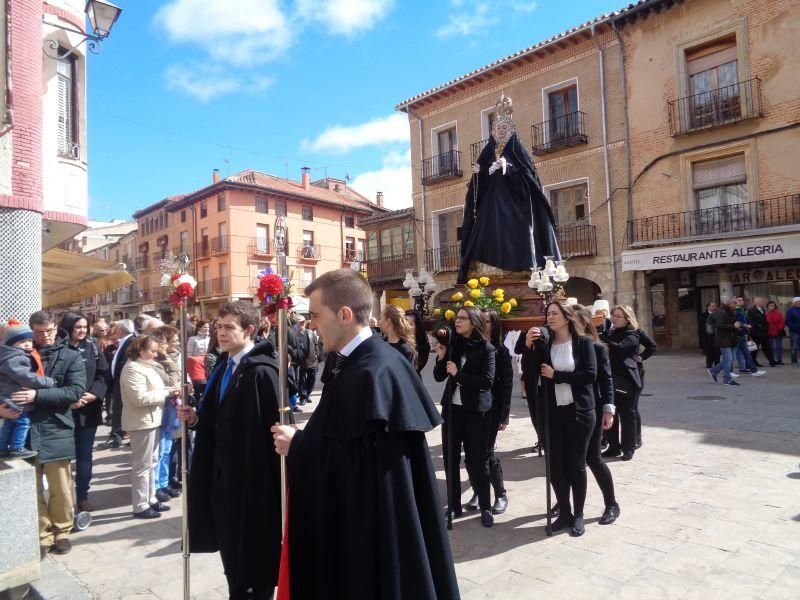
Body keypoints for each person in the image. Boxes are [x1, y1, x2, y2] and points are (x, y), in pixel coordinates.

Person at [271, 269, 459, 599]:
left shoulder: (372, 371)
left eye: (315, 316)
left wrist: (298, 444)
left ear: (344, 315)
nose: (311, 325)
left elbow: (367, 465)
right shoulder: (361, 362)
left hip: (374, 535)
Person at [179, 301, 285, 599]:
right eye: (218, 327)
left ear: (249, 330)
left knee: (252, 561)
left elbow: (273, 431)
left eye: (229, 328)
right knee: (232, 556)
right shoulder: (225, 365)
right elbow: (218, 415)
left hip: (252, 484)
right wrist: (197, 417)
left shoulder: (263, 373)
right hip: (223, 479)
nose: (221, 333)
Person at [457, 93, 560, 283]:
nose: (501, 130)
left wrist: (508, 167)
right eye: (497, 127)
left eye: (504, 127)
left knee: (517, 232)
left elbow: (529, 177)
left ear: (511, 129)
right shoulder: (487, 152)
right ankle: (487, 267)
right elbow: (478, 189)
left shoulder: (518, 151)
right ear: (493, 131)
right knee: (487, 235)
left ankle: (523, 268)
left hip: (515, 207)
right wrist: (479, 173)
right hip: (491, 207)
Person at [13, 311, 86, 556]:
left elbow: (74, 392)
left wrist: (38, 395)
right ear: (31, 331)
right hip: (24, 428)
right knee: (31, 487)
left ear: (56, 328)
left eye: (49, 331)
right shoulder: (18, 355)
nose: (45, 336)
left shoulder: (70, 356)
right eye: (39, 332)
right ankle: (43, 535)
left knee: (61, 487)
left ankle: (62, 530)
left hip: (56, 427)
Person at [525, 301, 597, 536]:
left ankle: (578, 515)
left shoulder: (583, 343)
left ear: (567, 317)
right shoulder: (545, 345)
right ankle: (564, 512)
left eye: (555, 313)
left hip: (579, 412)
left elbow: (589, 375)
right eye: (548, 313)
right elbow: (531, 373)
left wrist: (558, 376)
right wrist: (528, 347)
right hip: (553, 413)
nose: (550, 317)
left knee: (576, 465)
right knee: (555, 466)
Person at [434, 305, 496, 527]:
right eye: (457, 318)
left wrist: (459, 375)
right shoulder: (453, 346)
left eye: (462, 318)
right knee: (450, 459)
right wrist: (441, 357)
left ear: (474, 322)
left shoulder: (486, 349)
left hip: (476, 412)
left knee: (477, 461)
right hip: (453, 410)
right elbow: (439, 377)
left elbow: (486, 382)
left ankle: (486, 507)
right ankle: (454, 506)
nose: (457, 322)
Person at [120, 335, 179, 519]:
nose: (155, 354)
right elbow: (139, 398)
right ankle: (140, 505)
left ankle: (150, 498)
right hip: (141, 422)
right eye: (151, 351)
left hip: (153, 420)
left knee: (152, 462)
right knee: (142, 465)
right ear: (140, 350)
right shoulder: (132, 369)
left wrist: (169, 391)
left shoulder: (147, 366)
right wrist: (166, 394)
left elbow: (159, 388)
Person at [58, 312, 109, 512]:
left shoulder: (93, 348)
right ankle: (64, 500)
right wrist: (68, 399)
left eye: (84, 327)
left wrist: (94, 394)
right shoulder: (58, 348)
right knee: (63, 459)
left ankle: (82, 496)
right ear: (68, 327)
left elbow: (104, 375)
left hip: (88, 411)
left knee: (85, 455)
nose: (82, 330)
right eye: (77, 327)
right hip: (63, 411)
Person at [574, 306, 620, 525]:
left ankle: (611, 503)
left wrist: (608, 409)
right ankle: (566, 502)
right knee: (570, 461)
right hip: (568, 410)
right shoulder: (562, 347)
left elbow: (606, 379)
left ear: (584, 323)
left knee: (593, 458)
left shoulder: (597, 347)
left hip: (591, 408)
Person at [463, 309, 511, 515]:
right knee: (471, 454)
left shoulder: (500, 351)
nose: (483, 324)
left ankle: (500, 493)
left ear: (495, 324)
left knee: (486, 453)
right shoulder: (471, 346)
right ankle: (478, 491)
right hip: (472, 407)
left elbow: (507, 385)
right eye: (480, 320)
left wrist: (504, 416)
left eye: (487, 321)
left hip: (492, 408)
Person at [0, 320, 56, 459]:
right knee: (22, 423)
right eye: (22, 341)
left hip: (9, 397)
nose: (27, 344)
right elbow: (26, 377)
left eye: (30, 340)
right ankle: (17, 447)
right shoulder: (15, 358)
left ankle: (2, 447)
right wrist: (47, 382)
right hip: (17, 399)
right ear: (11, 343)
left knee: (9, 424)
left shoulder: (10, 356)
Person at [600, 305, 642, 462]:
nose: (614, 318)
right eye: (613, 315)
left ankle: (628, 448)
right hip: (610, 379)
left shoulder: (632, 334)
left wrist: (603, 338)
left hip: (627, 380)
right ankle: (613, 447)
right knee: (611, 413)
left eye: (618, 316)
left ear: (627, 319)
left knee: (627, 415)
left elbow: (619, 348)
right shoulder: (610, 332)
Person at [151, 326, 184, 502]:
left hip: (170, 408)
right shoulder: (157, 363)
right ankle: (157, 485)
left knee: (167, 448)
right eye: (165, 343)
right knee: (161, 450)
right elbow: (172, 381)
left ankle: (163, 483)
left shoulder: (169, 358)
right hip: (161, 409)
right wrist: (171, 364)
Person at [107, 319, 136, 448]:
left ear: (121, 330)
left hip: (123, 382)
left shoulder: (132, 341)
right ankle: (117, 434)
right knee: (118, 408)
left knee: (119, 408)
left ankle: (117, 435)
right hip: (118, 381)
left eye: (117, 328)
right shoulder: (125, 341)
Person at [708, 297, 741, 386]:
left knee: (729, 359)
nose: (736, 304)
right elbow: (720, 325)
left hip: (729, 338)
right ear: (729, 304)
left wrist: (742, 325)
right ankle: (727, 379)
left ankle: (713, 371)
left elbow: (731, 323)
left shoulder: (728, 312)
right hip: (723, 339)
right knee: (728, 359)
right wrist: (733, 326)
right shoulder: (721, 312)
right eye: (734, 302)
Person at [733, 297, 765, 376]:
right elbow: (735, 322)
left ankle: (753, 370)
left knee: (746, 353)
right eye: (739, 300)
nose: (741, 301)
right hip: (737, 335)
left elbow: (746, 320)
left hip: (743, 334)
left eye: (742, 300)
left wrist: (747, 330)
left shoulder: (744, 310)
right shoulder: (735, 311)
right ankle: (722, 370)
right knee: (732, 355)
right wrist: (744, 326)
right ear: (735, 302)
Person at [296, 316, 320, 406]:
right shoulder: (295, 334)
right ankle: (303, 397)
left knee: (312, 379)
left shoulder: (310, 333)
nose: (301, 324)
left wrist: (317, 353)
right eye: (299, 322)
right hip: (301, 361)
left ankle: (307, 394)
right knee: (301, 380)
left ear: (305, 322)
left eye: (302, 322)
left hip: (312, 360)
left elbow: (316, 344)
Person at [748, 297, 777, 367]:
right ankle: (753, 361)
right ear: (756, 303)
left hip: (764, 332)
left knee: (767, 347)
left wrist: (767, 326)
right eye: (761, 301)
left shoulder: (763, 310)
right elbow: (750, 321)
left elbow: (765, 320)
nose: (763, 302)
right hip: (756, 333)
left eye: (762, 301)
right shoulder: (752, 310)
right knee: (755, 348)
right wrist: (758, 325)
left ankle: (772, 361)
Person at [406, 309, 432, 376]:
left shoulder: (423, 344)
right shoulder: (395, 340)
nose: (406, 327)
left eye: (410, 324)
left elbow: (417, 366)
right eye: (404, 323)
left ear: (417, 327)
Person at [699, 302, 720, 369]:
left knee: (717, 350)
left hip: (716, 335)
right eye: (712, 306)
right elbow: (702, 326)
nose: (714, 307)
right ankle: (709, 364)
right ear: (708, 307)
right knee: (709, 351)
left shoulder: (718, 314)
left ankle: (717, 363)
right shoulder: (703, 315)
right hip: (708, 336)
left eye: (715, 306)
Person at [766, 300, 786, 366]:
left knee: (779, 347)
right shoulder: (766, 314)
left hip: (777, 332)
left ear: (775, 306)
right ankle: (772, 361)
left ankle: (779, 360)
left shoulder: (778, 313)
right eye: (770, 305)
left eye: (773, 305)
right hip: (769, 333)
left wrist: (779, 329)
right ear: (767, 306)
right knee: (770, 347)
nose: (771, 306)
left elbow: (782, 322)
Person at [786, 297, 800, 367]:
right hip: (794, 332)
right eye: (799, 301)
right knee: (794, 347)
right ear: (795, 302)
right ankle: (794, 362)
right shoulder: (790, 311)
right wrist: (796, 328)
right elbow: (788, 322)